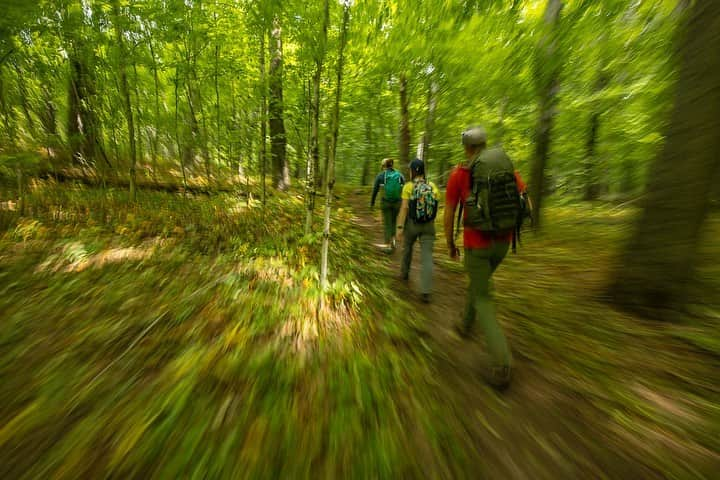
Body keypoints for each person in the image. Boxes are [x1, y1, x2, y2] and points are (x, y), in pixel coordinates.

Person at [444, 126, 527, 388]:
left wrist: (449, 243)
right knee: (479, 284)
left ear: (467, 148)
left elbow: (448, 213)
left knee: (483, 297)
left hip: (476, 245)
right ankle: (465, 325)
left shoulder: (459, 173)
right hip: (503, 243)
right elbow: (526, 203)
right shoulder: (507, 171)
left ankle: (502, 363)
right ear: (485, 145)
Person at [397, 159, 439, 303]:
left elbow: (404, 209)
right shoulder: (432, 186)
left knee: (407, 248)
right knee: (427, 257)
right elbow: (435, 206)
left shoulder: (408, 186)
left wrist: (400, 227)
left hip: (412, 225)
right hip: (429, 225)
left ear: (413, 171)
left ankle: (404, 274)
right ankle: (425, 291)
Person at [370, 158, 405, 250]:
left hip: (385, 202)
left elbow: (375, 190)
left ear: (383, 166)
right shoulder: (400, 176)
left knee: (387, 223)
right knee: (393, 221)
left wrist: (372, 203)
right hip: (397, 202)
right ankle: (393, 241)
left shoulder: (381, 176)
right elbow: (404, 190)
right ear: (392, 165)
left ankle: (388, 245)